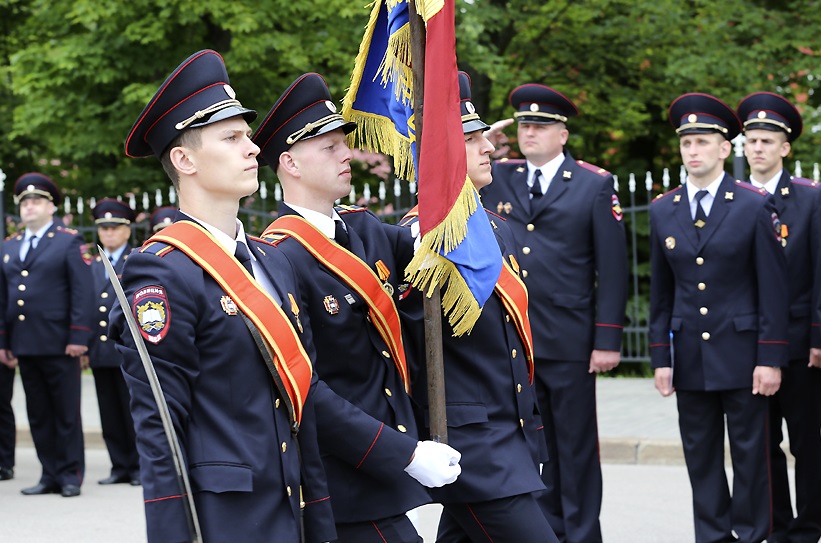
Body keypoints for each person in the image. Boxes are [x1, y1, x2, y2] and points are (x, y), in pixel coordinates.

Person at [110, 50, 334, 543]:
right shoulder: (163, 272)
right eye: (231, 138)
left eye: (247, 136)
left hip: (294, 508)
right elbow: (160, 428)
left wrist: (318, 514)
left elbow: (301, 403)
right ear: (184, 159)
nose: (253, 149)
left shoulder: (271, 260)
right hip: (227, 521)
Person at [252, 72, 461, 543]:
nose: (346, 154)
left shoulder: (367, 231)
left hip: (391, 462)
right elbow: (305, 387)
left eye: (342, 144)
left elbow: (441, 257)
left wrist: (446, 159)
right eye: (327, 147)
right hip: (341, 472)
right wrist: (402, 453)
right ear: (290, 163)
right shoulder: (279, 256)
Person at [400, 71, 558, 543]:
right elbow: (411, 348)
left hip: (510, 439)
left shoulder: (492, 227)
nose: (490, 147)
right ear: (439, 152)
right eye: (471, 139)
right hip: (473, 449)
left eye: (484, 136)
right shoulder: (421, 239)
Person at [480, 83, 628, 543]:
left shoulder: (593, 183)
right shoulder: (499, 176)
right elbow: (450, 174)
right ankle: (544, 532)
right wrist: (488, 139)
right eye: (525, 125)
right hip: (515, 339)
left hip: (570, 339)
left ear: (562, 135)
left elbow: (613, 267)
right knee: (531, 446)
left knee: (576, 447)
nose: (530, 133)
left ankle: (582, 535)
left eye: (541, 127)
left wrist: (607, 340)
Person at [650, 92, 788, 543]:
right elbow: (661, 292)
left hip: (744, 355)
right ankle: (711, 535)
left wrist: (770, 357)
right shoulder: (662, 209)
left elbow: (772, 288)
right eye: (686, 143)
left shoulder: (751, 205)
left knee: (751, 456)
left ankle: (751, 535)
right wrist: (660, 358)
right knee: (701, 456)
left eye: (703, 142)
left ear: (725, 149)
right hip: (689, 355)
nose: (693, 151)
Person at [737, 91, 821, 543]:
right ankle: (776, 528)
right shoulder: (734, 200)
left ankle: (808, 530)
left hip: (799, 345)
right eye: (751, 140)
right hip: (749, 345)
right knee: (760, 447)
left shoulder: (810, 199)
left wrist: (818, 337)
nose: (758, 148)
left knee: (808, 443)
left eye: (768, 141)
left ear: (786, 148)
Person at [0, 172, 94, 497]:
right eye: (24, 201)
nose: (29, 206)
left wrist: (79, 337)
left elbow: (83, 292)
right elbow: (3, 297)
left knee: (65, 413)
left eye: (37, 200)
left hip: (60, 343)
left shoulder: (69, 240)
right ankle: (49, 474)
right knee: (38, 414)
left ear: (51, 207)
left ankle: (70, 475)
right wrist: (4, 341)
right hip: (25, 343)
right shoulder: (9, 246)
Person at [89, 198, 140, 486]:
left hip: (126, 350)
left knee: (129, 408)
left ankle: (136, 466)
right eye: (103, 228)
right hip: (99, 348)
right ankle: (118, 465)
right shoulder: (93, 263)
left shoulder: (134, 259)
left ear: (127, 230)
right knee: (108, 411)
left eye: (114, 227)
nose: (108, 233)